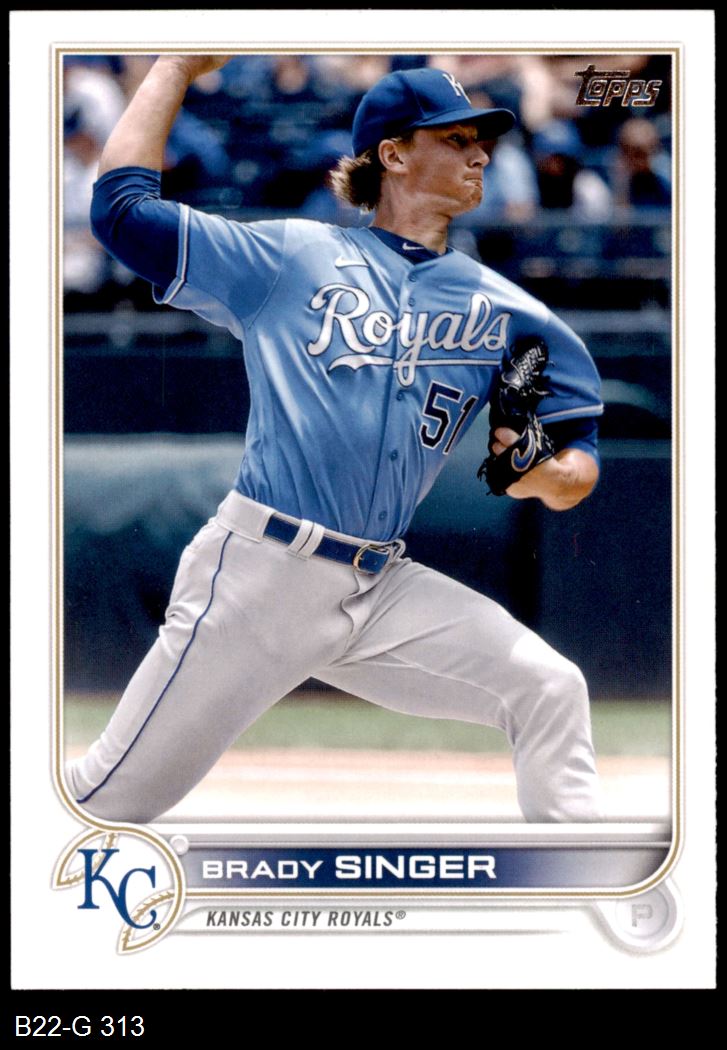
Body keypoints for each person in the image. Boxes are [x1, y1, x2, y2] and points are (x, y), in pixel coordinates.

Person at [66, 56, 604, 824]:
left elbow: (575, 457)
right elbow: (121, 212)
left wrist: (545, 475)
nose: (480, 154)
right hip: (260, 578)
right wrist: (175, 68)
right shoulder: (292, 257)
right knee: (107, 802)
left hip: (379, 586)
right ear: (393, 154)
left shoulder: (507, 313)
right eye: (455, 139)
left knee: (548, 687)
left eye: (480, 140)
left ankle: (583, 884)